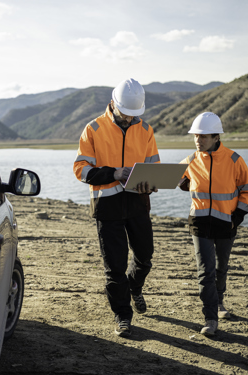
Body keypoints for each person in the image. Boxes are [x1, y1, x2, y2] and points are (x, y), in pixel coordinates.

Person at [73, 78, 160, 337]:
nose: (128, 119)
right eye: (125, 114)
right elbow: (80, 169)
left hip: (137, 202)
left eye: (133, 115)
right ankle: (122, 314)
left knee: (145, 256)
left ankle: (134, 286)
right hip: (107, 206)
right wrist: (114, 173)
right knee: (115, 266)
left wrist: (152, 182)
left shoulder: (145, 129)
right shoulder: (93, 129)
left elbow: (154, 165)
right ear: (113, 104)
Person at [178, 112, 248, 336]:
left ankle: (219, 303)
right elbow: (171, 176)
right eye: (196, 136)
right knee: (205, 271)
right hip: (199, 223)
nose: (198, 140)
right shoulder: (190, 160)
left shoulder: (235, 160)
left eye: (203, 136)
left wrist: (238, 216)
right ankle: (210, 317)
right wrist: (181, 182)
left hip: (226, 223)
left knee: (221, 268)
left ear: (216, 137)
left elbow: (246, 189)